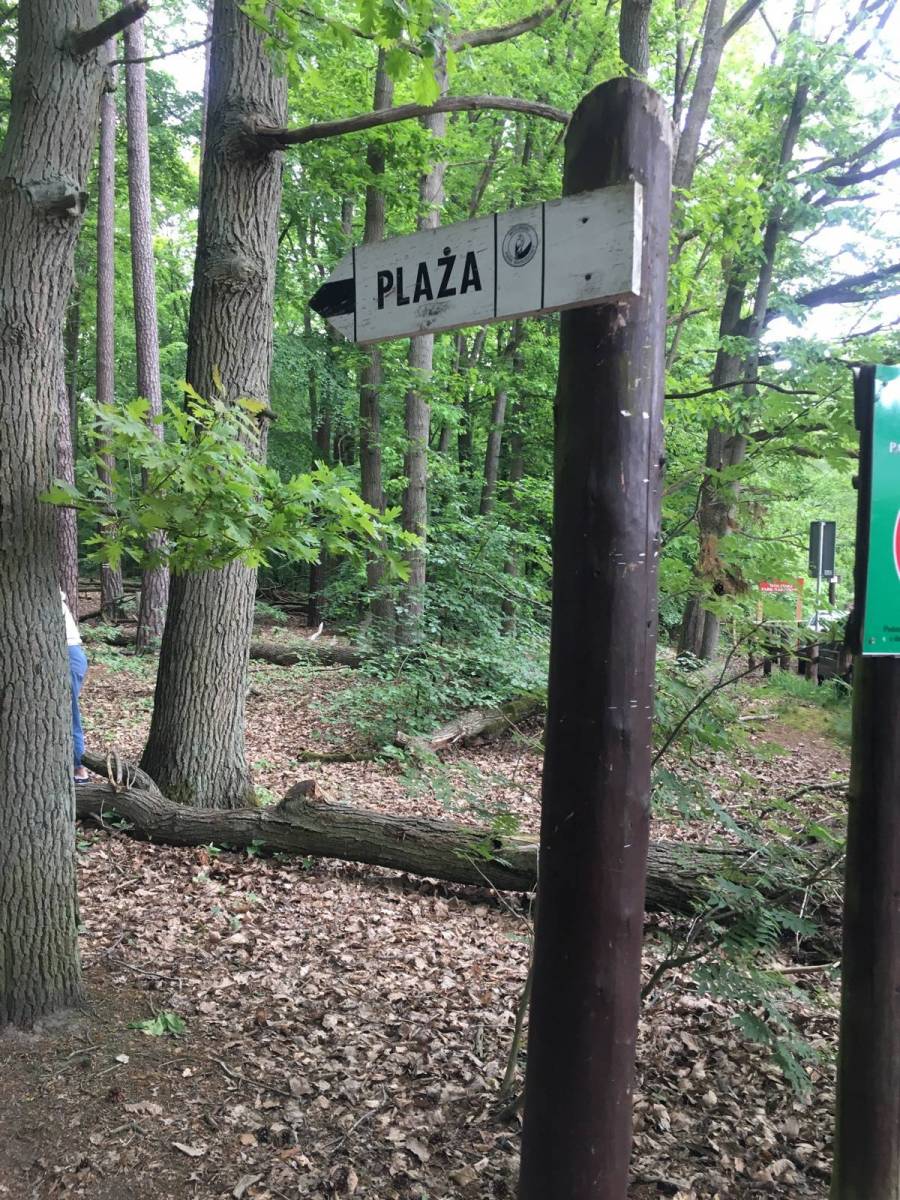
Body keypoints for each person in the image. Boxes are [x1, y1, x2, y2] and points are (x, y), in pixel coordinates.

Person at [62, 590, 90, 784]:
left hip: (69, 656)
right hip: (70, 655)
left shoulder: (49, 600)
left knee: (70, 713)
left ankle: (80, 768)